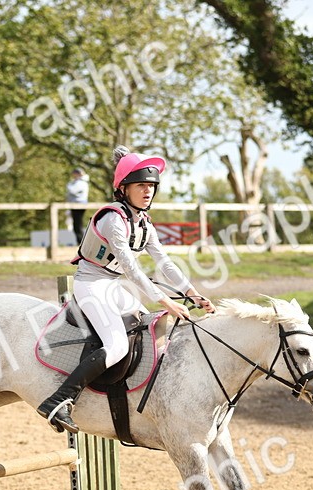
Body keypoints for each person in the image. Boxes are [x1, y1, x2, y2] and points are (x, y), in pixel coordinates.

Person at [37, 145, 217, 434]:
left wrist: (192, 292)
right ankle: (60, 399)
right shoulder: (113, 219)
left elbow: (165, 262)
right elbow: (132, 269)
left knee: (153, 327)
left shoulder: (144, 223)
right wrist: (166, 301)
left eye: (151, 186)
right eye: (141, 186)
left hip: (113, 285)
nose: (148, 191)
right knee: (118, 345)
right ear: (123, 188)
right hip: (91, 284)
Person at [65, 167, 89, 243]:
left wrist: (69, 185)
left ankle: (81, 242)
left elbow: (72, 191)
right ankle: (80, 242)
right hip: (75, 204)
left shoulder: (81, 182)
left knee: (78, 225)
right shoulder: (79, 182)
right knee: (77, 225)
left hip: (78, 204)